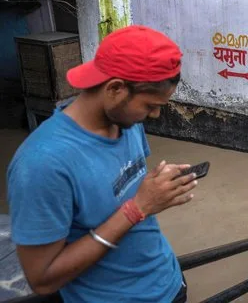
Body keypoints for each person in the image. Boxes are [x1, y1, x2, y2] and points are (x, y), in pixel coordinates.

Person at [8, 25, 197, 303]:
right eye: (149, 106)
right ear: (115, 88)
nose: (154, 115)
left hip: (168, 281)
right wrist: (138, 208)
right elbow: (42, 279)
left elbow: (124, 189)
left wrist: (155, 190)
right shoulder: (41, 164)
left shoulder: (126, 121)